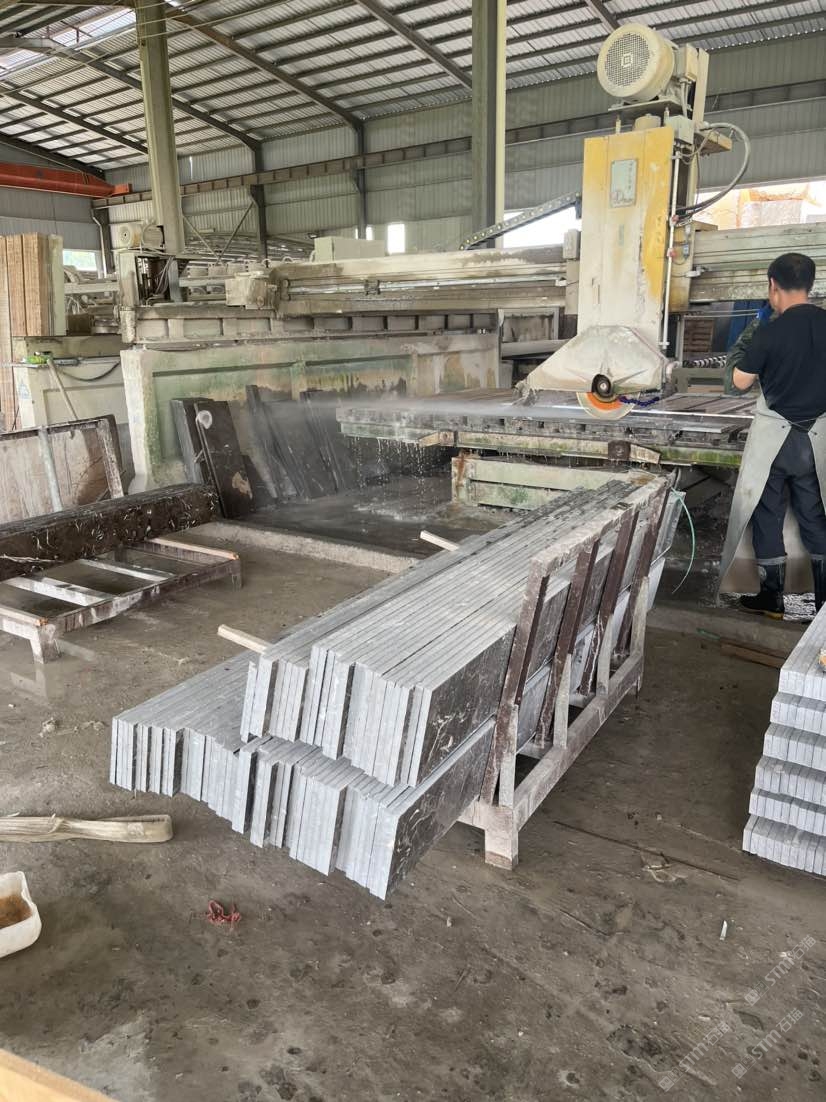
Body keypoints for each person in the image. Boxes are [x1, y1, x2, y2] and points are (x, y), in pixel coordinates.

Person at [720, 252, 826, 616]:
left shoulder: (768, 332)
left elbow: (737, 383)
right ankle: (823, 604)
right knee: (815, 516)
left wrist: (752, 332)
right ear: (810, 285)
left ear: (772, 286)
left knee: (768, 514)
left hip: (774, 445)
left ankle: (772, 598)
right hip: (816, 444)